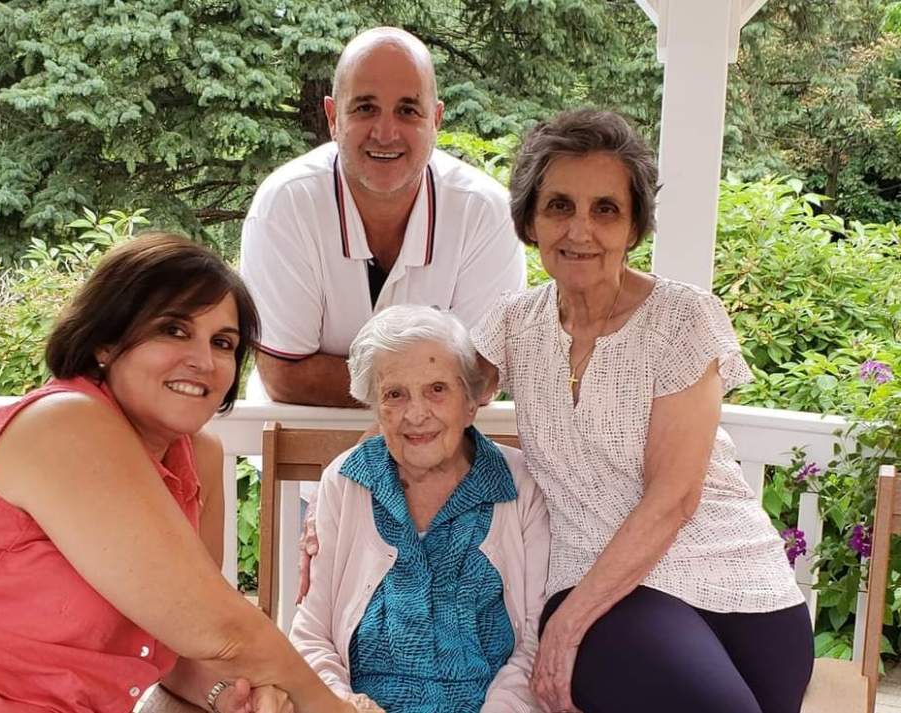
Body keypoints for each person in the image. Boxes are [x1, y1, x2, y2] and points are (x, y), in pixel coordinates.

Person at [0, 233, 370, 713]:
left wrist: (232, 696)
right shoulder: (65, 424)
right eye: (173, 330)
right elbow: (220, 629)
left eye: (223, 343)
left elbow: (176, 642)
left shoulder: (197, 456)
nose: (202, 360)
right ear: (105, 343)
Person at [471, 109, 814, 713]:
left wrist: (564, 632)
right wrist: (345, 492)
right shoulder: (512, 324)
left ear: (633, 227)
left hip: (744, 588)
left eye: (606, 209)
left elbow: (675, 497)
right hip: (603, 586)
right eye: (559, 206)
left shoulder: (682, 319)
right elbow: (418, 395)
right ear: (530, 220)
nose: (581, 230)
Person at [239, 26, 526, 408]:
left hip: (439, 458)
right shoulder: (286, 205)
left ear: (436, 120)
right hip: (300, 451)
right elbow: (284, 376)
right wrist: (432, 383)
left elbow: (480, 375)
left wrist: (391, 385)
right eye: (365, 108)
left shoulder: (486, 214)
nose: (386, 132)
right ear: (332, 116)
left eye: (408, 110)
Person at [290, 306, 548, 713]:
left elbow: (537, 638)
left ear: (470, 402)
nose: (415, 413)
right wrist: (342, 705)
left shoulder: (519, 485)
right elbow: (311, 633)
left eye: (437, 390)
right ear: (376, 408)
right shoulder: (346, 481)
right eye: (395, 394)